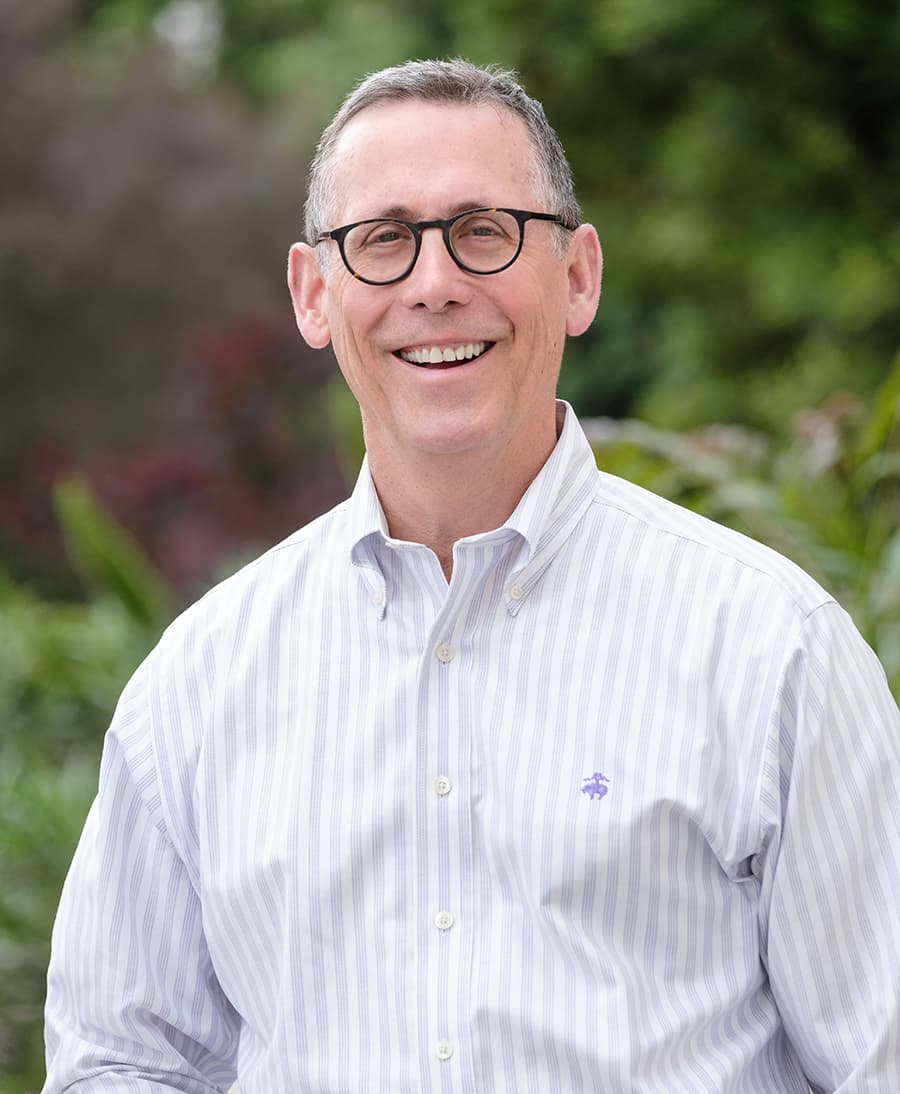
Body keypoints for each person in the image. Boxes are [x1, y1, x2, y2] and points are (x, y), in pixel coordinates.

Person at [43, 58, 900, 1093]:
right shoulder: (198, 686)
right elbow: (120, 1061)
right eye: (383, 240)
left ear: (577, 276)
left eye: (484, 229)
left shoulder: (773, 649)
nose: (435, 283)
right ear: (316, 295)